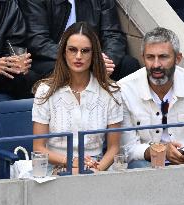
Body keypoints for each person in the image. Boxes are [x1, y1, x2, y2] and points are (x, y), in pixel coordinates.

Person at [118, 27, 184, 168]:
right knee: (138, 166)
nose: (156, 65)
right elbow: (127, 149)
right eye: (150, 57)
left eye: (163, 57)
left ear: (178, 58)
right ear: (143, 58)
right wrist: (160, 152)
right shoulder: (124, 89)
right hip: (147, 163)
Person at [32, 22, 123, 173]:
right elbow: (38, 148)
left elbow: (114, 147)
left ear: (94, 54)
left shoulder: (112, 91)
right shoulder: (45, 91)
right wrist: (73, 163)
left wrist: (97, 169)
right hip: (56, 166)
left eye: (85, 51)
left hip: (97, 166)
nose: (78, 56)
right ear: (63, 52)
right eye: (72, 50)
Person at [19, 0, 140, 82]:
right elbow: (37, 40)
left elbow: (113, 34)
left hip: (94, 57)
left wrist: (104, 60)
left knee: (128, 65)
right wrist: (82, 57)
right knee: (60, 71)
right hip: (54, 58)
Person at [0, 0, 32, 117]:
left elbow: (15, 42)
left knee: (31, 80)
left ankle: (33, 132)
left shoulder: (8, 3)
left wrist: (15, 62)